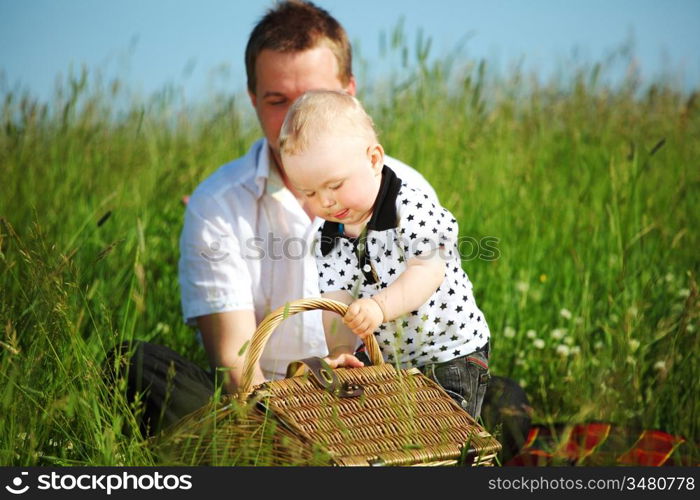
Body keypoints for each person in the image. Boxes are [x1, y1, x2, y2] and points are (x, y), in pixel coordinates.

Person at [114, 0, 530, 458]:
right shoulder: (218, 204)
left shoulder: (401, 187)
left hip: (378, 396)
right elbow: (234, 363)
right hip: (268, 405)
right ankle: (280, 460)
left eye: (311, 99)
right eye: (277, 101)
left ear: (349, 94)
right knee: (133, 364)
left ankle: (397, 458)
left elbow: (417, 295)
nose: (296, 119)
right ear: (253, 99)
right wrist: (292, 403)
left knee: (503, 402)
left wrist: (361, 364)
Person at [279, 90, 491, 417]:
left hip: (448, 354)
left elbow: (427, 271)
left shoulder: (410, 207)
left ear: (374, 159)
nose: (326, 202)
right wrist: (339, 348)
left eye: (335, 185)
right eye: (309, 193)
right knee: (386, 425)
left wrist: (379, 307)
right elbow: (338, 297)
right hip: (390, 358)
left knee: (445, 432)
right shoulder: (332, 231)